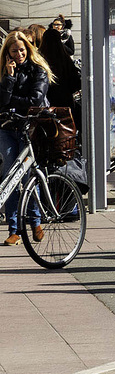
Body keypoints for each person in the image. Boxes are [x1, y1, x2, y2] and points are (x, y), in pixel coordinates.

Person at [0, 29, 51, 246]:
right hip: (6, 128)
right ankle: (14, 230)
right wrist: (9, 79)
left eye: (22, 50)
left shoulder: (38, 69)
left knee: (29, 176)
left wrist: (12, 101)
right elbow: (1, 102)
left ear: (27, 49)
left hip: (28, 129)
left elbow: (35, 100)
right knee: (10, 178)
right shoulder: (4, 72)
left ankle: (35, 223)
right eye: (14, 51)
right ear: (7, 53)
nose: (19, 54)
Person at [39, 19, 82, 115]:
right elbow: (75, 83)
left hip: (46, 101)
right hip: (64, 101)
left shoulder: (39, 59)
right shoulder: (64, 59)